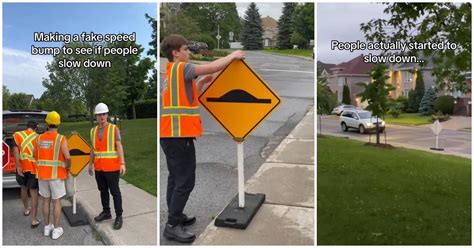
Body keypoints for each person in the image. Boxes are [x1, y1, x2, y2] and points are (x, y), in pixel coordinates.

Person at [160, 34, 245, 243]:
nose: (189, 52)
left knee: (175, 177)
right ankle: (172, 225)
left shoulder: (171, 73)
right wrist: (233, 55)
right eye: (186, 49)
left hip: (171, 135)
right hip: (178, 136)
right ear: (175, 53)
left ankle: (175, 215)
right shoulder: (183, 68)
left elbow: (186, 99)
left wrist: (200, 85)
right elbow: (212, 66)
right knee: (185, 180)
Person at [87, 103, 126, 230]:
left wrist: (122, 163)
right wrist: (90, 164)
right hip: (99, 167)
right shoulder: (92, 131)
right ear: (96, 116)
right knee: (102, 191)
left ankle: (119, 216)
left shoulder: (114, 129)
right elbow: (92, 149)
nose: (102, 116)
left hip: (112, 167)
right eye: (99, 114)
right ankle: (106, 212)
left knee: (115, 192)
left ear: (107, 115)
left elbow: (119, 146)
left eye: (104, 114)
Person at [34, 111, 71, 240]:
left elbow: (35, 156)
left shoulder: (39, 138)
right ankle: (56, 229)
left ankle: (46, 227)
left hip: (42, 175)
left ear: (47, 123)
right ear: (58, 124)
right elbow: (67, 157)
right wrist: (68, 166)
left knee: (45, 201)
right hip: (56, 176)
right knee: (56, 202)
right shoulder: (61, 139)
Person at [13, 121, 40, 228]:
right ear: (36, 128)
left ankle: (26, 209)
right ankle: (34, 220)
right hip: (33, 169)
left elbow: (15, 151)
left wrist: (18, 166)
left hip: (22, 168)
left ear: (27, 127)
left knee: (23, 189)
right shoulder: (39, 137)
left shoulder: (17, 135)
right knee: (34, 193)